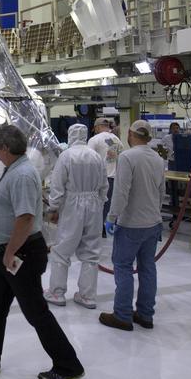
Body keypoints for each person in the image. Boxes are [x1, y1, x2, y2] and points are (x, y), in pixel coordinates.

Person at [0, 125, 84, 379]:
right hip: (7, 252)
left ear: (4, 148)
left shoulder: (23, 174)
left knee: (35, 311)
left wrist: (10, 251)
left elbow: (25, 218)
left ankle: (68, 365)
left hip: (20, 253)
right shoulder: (14, 169)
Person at [100, 120, 166, 331]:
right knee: (148, 268)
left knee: (123, 267)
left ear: (130, 134)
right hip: (153, 223)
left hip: (131, 224)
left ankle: (122, 315)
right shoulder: (157, 158)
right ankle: (146, 315)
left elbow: (121, 191)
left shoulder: (128, 157)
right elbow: (161, 191)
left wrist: (112, 216)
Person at [43, 123, 106, 309]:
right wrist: (100, 202)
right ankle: (87, 296)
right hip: (94, 205)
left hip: (72, 205)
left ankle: (57, 293)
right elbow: (104, 185)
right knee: (91, 252)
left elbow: (57, 185)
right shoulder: (96, 156)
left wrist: (53, 207)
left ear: (70, 135)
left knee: (62, 249)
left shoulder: (66, 156)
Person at [86, 117, 123, 234]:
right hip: (114, 178)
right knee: (108, 204)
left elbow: (88, 160)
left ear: (97, 127)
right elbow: (119, 157)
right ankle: (104, 226)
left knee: (96, 205)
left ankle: (97, 229)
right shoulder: (116, 140)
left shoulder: (94, 139)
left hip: (98, 178)